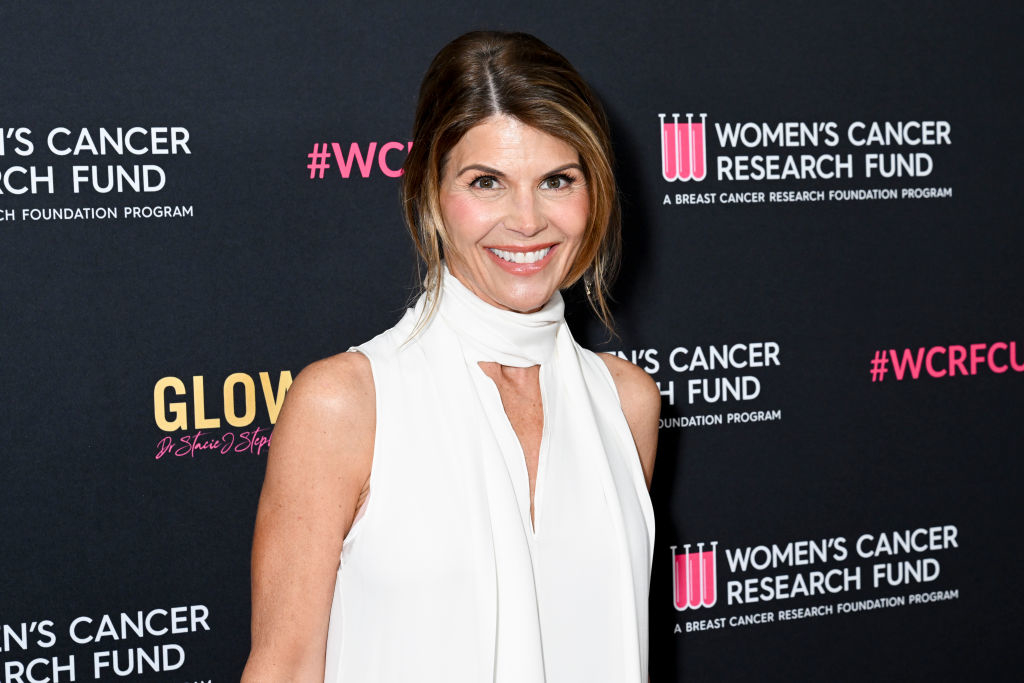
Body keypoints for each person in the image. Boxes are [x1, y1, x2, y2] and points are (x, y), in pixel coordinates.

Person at [242, 30, 659, 683]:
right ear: (431, 192)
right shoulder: (347, 403)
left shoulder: (626, 402)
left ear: (594, 191)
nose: (527, 221)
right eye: (487, 182)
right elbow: (286, 666)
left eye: (556, 179)